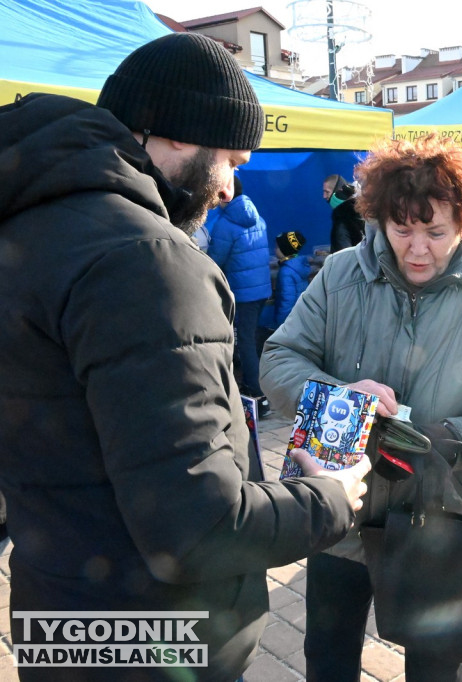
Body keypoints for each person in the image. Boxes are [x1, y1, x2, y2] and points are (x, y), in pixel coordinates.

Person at [0, 32, 370, 681]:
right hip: (155, 642)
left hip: (59, 615)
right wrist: (328, 498)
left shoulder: (29, 228)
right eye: (230, 157)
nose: (229, 185)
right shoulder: (145, 263)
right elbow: (198, 528)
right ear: (171, 133)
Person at [260, 133, 462, 682]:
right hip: (338, 506)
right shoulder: (341, 275)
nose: (417, 249)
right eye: (402, 229)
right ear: (379, 219)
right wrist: (340, 399)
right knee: (329, 657)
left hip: (442, 514)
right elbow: (279, 358)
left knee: (436, 668)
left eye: (435, 232)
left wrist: (455, 438)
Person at [207, 174, 273, 412]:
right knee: (250, 339)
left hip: (242, 294)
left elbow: (215, 260)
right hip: (261, 290)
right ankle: (256, 387)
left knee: (243, 341)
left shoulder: (226, 224)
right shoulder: (259, 218)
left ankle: (256, 394)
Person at [273, 230, 310, 328]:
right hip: (300, 317)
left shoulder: (286, 272)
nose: (274, 250)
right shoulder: (300, 266)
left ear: (285, 250)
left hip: (289, 321)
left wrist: (281, 324)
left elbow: (287, 300)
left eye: (277, 247)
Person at [325, 173, 366, 252]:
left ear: (338, 193)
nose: (324, 196)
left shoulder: (341, 222)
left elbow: (344, 257)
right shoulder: (360, 217)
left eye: (327, 192)